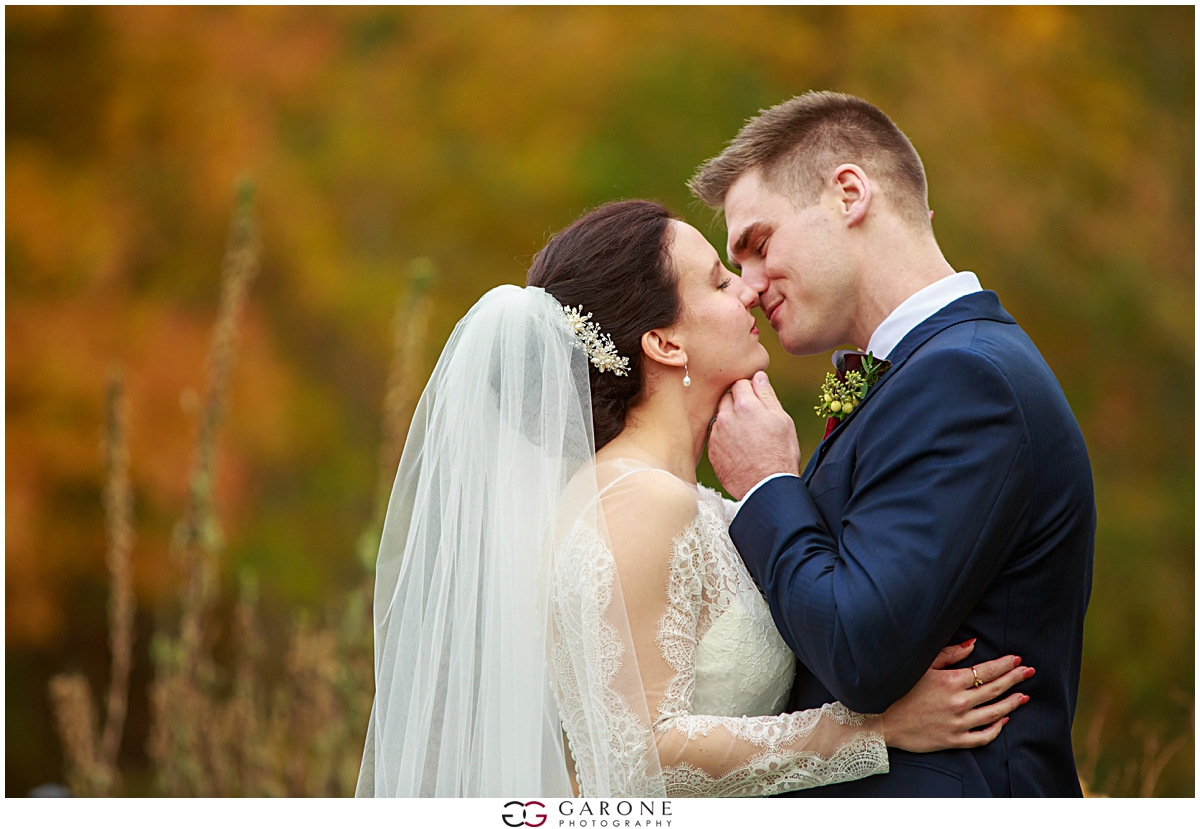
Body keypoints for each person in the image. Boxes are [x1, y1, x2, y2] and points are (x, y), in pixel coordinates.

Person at [356, 199, 1030, 797]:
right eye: (717, 279)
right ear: (664, 342)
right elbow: (638, 764)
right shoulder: (638, 505)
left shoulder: (679, 497)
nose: (748, 291)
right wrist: (870, 727)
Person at [693, 91, 1095, 797]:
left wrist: (765, 485)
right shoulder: (911, 372)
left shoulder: (967, 380)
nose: (749, 289)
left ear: (849, 193)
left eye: (758, 245)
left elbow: (858, 648)